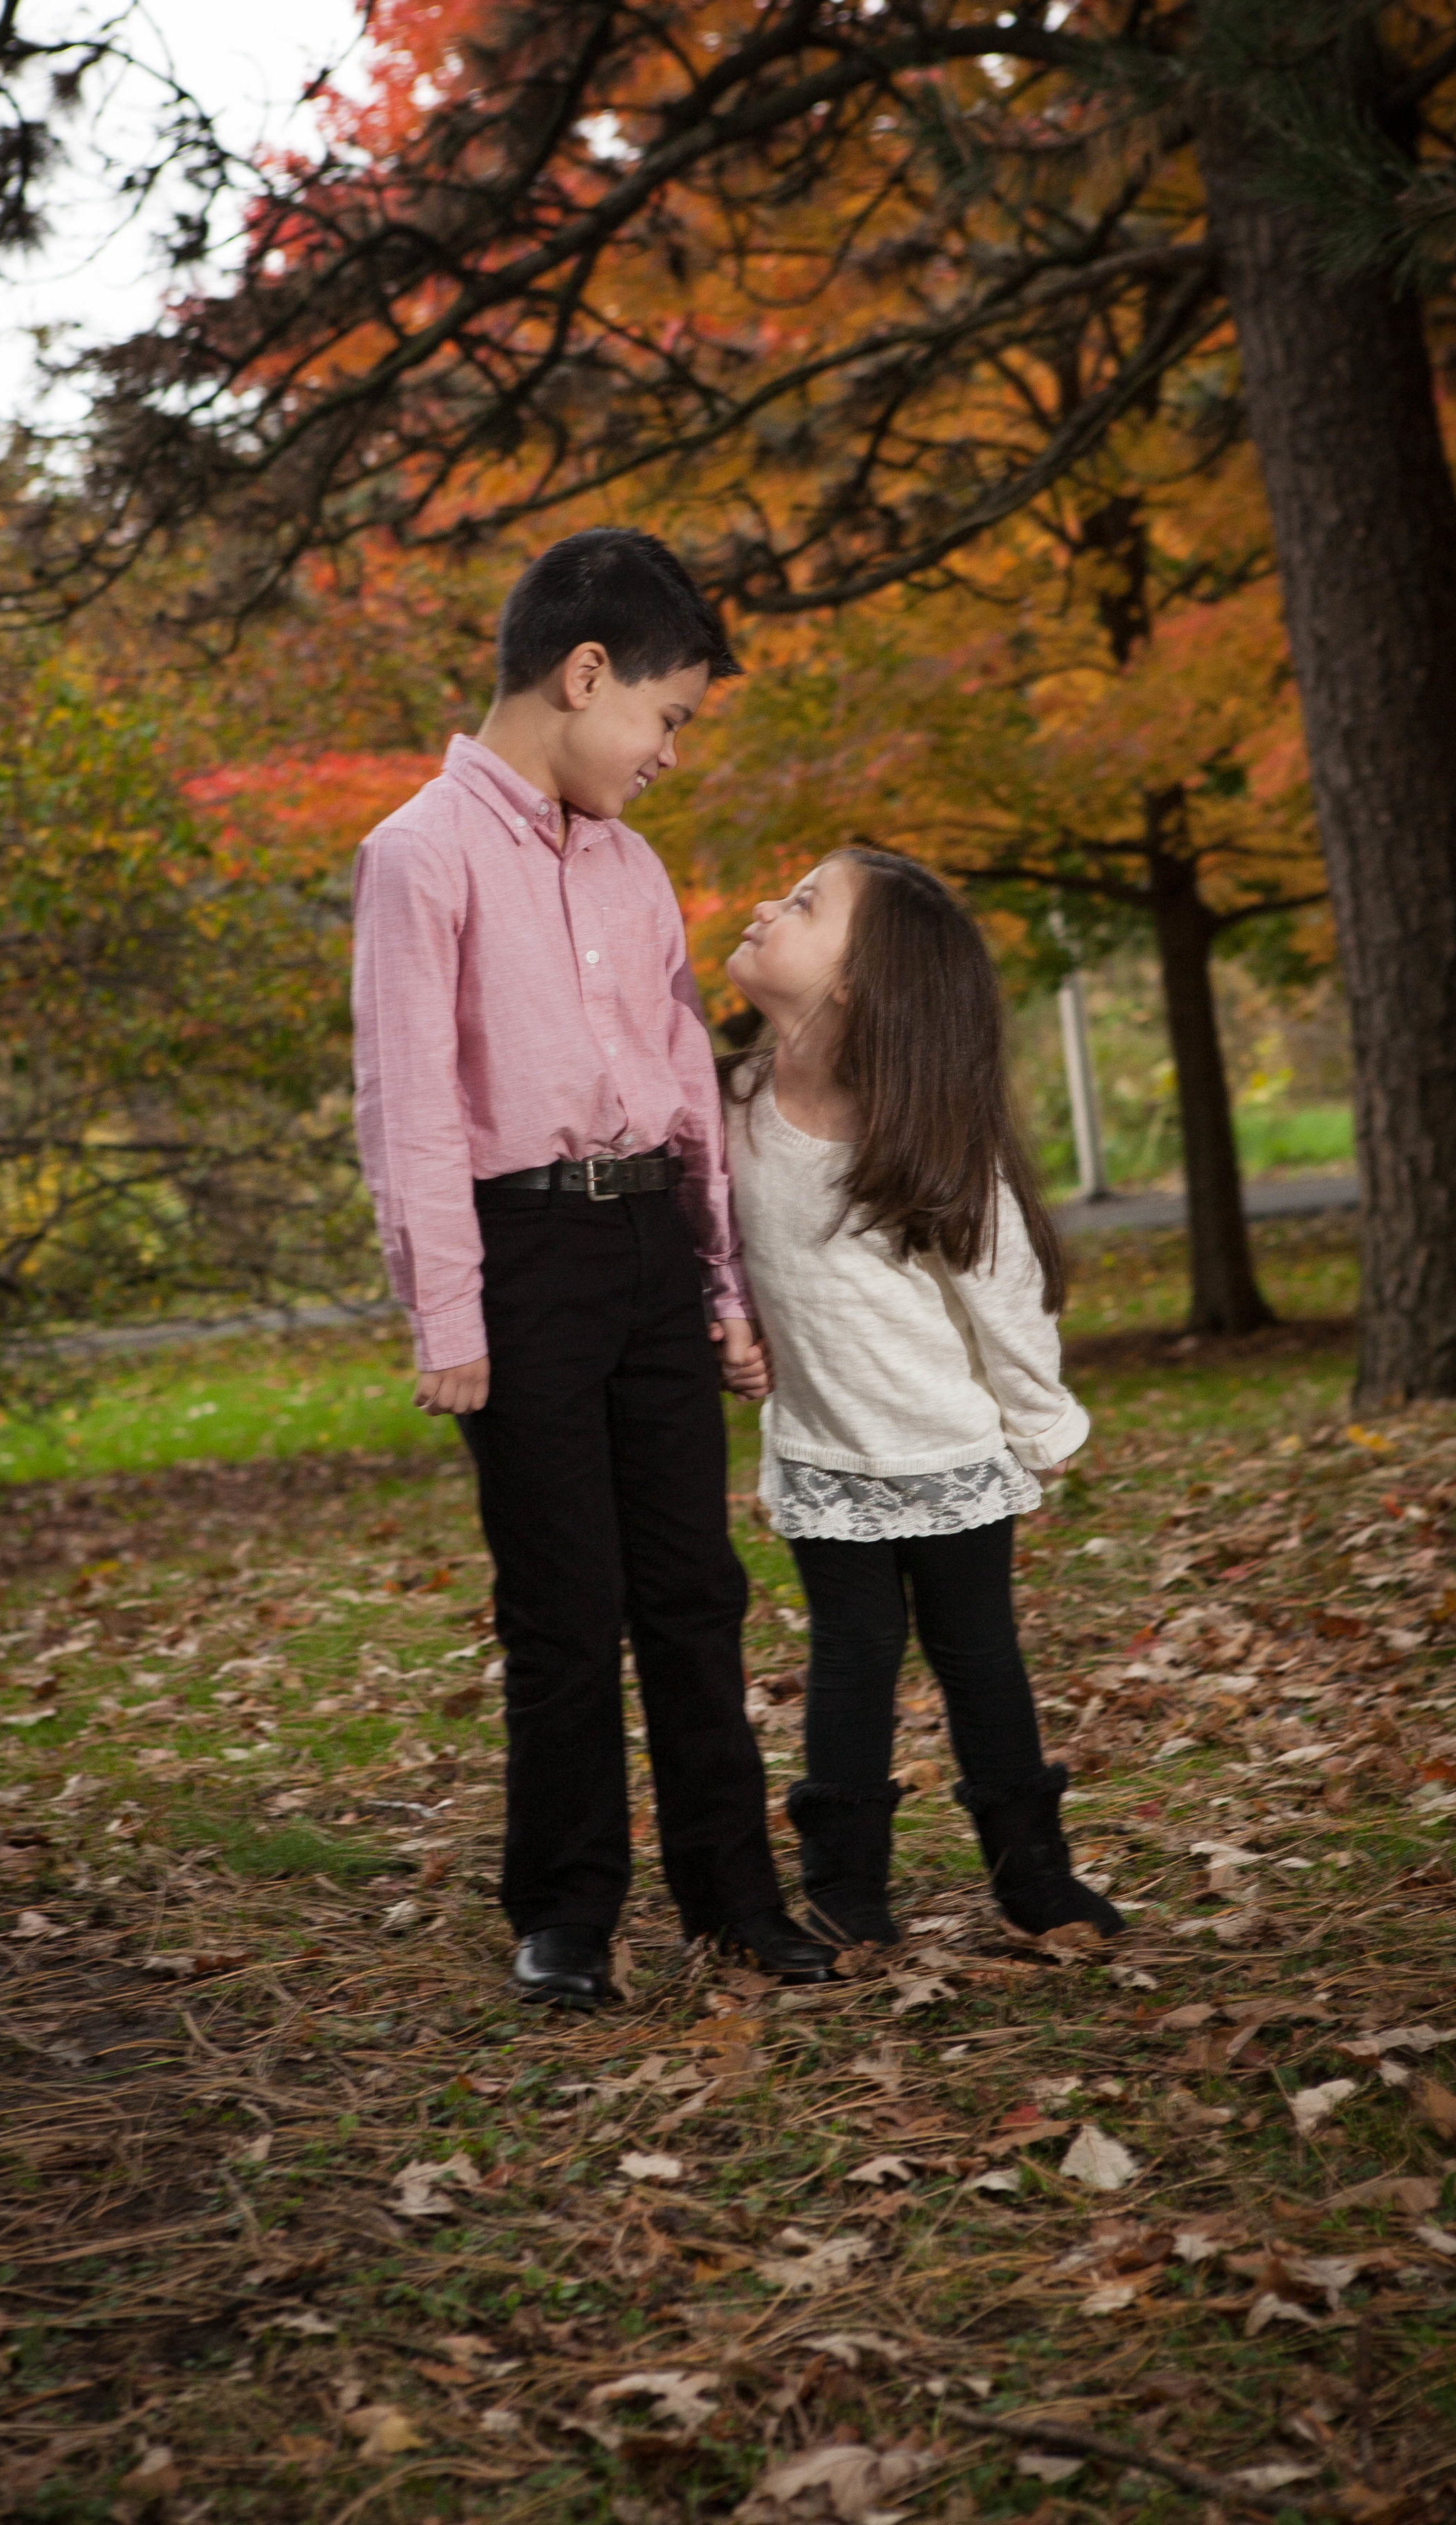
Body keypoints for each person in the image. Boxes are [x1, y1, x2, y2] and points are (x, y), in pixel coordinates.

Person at [350, 528, 834, 2006]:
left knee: (694, 1589)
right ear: (582, 675)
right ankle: (564, 1912)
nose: (672, 754)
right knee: (564, 1603)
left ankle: (732, 1899)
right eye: (667, 717)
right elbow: (411, 1104)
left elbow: (687, 1085)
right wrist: (448, 1311)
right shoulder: (416, 856)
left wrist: (723, 1288)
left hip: (646, 1248)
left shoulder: (632, 868)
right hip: (526, 1258)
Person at [719, 847, 1124, 1949]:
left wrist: (1042, 1424)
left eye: (803, 902)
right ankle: (847, 1887)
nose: (768, 901)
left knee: (978, 1653)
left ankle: (1032, 1875)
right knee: (850, 1657)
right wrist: (733, 1327)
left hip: (947, 1451)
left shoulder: (929, 1132)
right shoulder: (734, 1103)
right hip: (825, 1452)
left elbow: (1008, 1298)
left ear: (857, 981)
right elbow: (722, 1254)